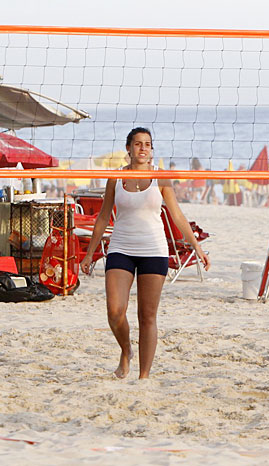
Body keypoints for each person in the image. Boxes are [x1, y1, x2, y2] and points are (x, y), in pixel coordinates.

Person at [79, 127, 211, 379]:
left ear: (152, 149)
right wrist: (89, 254)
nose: (143, 148)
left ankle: (144, 378)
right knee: (115, 311)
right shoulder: (115, 178)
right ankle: (126, 349)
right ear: (128, 148)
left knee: (147, 316)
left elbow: (177, 215)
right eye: (138, 144)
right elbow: (103, 216)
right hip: (121, 247)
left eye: (147, 144)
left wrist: (197, 247)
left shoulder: (160, 178)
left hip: (154, 249)